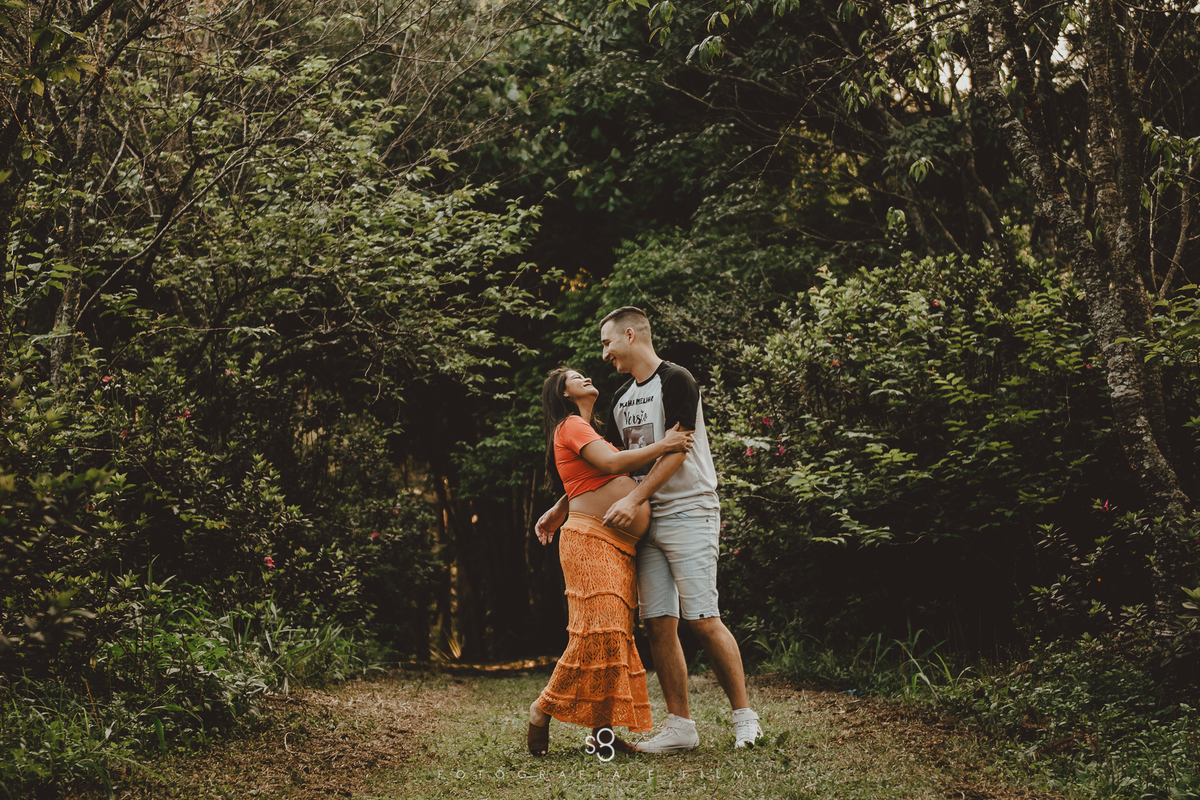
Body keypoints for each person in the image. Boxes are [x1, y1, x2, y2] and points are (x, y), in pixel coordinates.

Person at [537, 307, 763, 753]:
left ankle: (745, 720)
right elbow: (612, 467)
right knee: (658, 623)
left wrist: (634, 500)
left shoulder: (678, 380)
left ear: (629, 334)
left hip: (688, 509)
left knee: (703, 618)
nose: (605, 354)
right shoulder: (620, 398)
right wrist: (562, 505)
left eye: (607, 344)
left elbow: (678, 449)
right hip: (644, 523)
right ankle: (681, 728)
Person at [527, 366, 693, 757]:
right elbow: (615, 467)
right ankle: (542, 708)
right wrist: (666, 444)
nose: (584, 376)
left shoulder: (589, 429)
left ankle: (601, 733)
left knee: (614, 637)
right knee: (595, 633)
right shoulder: (570, 424)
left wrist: (558, 505)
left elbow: (586, 478)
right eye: (574, 377)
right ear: (563, 393)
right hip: (591, 542)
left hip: (619, 547)